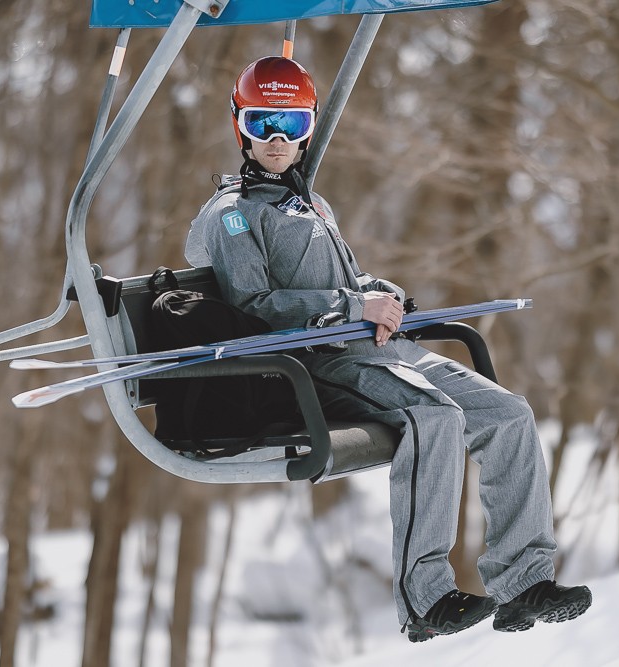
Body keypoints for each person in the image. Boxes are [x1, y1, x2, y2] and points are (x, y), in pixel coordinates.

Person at [184, 56, 592, 642]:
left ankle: (524, 581)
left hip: (377, 349)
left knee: (509, 414)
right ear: (240, 127)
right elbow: (256, 305)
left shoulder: (311, 204)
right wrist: (354, 307)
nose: (276, 139)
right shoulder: (233, 216)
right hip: (315, 362)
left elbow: (347, 280)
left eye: (292, 124)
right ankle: (425, 598)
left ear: (308, 129)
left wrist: (380, 293)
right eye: (262, 123)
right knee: (435, 417)